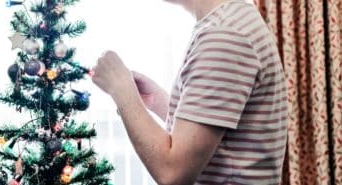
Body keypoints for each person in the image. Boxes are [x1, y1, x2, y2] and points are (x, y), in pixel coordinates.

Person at [91, 0, 287, 184]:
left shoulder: (224, 35)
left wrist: (122, 91)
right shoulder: (232, 21)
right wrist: (159, 102)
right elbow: (220, 135)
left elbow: (172, 173)